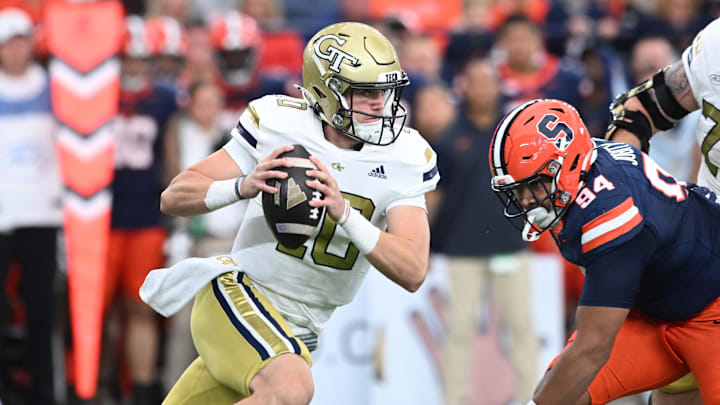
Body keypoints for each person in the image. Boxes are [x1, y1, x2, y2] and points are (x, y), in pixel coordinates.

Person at [142, 21, 439, 404]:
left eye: (384, 91)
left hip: (298, 328)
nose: (379, 103)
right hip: (240, 295)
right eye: (365, 92)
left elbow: (413, 269)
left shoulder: (406, 157)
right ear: (326, 91)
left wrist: (345, 213)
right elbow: (174, 196)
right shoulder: (280, 124)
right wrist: (241, 186)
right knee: (289, 389)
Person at [489, 98, 720, 405]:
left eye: (535, 185)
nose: (527, 200)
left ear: (567, 164)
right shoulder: (586, 159)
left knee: (567, 378)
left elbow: (592, 348)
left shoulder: (609, 215)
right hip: (655, 310)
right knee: (562, 391)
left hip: (711, 309)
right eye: (517, 190)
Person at [606, 17, 720, 405]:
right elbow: (640, 110)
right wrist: (623, 190)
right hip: (708, 251)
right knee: (676, 393)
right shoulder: (715, 44)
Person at [432, 59, 537, 404]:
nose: (482, 89)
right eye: (475, 81)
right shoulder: (449, 138)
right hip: (461, 250)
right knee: (458, 330)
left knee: (521, 327)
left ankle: (532, 398)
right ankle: (454, 398)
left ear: (497, 87)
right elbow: (436, 194)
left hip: (509, 246)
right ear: (465, 89)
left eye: (487, 81)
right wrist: (425, 242)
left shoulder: (514, 138)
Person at [105, 15, 178, 405]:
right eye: (125, 58)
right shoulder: (95, 96)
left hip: (145, 216)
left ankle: (143, 390)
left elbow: (171, 159)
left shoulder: (163, 99)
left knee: (138, 307)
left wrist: (175, 217)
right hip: (100, 217)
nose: (132, 66)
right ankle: (96, 386)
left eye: (138, 58)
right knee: (94, 310)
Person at [0, 8, 61, 405]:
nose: (16, 51)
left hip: (44, 215)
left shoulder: (54, 88)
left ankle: (44, 391)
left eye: (22, 42)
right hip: (3, 218)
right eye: (9, 43)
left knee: (42, 309)